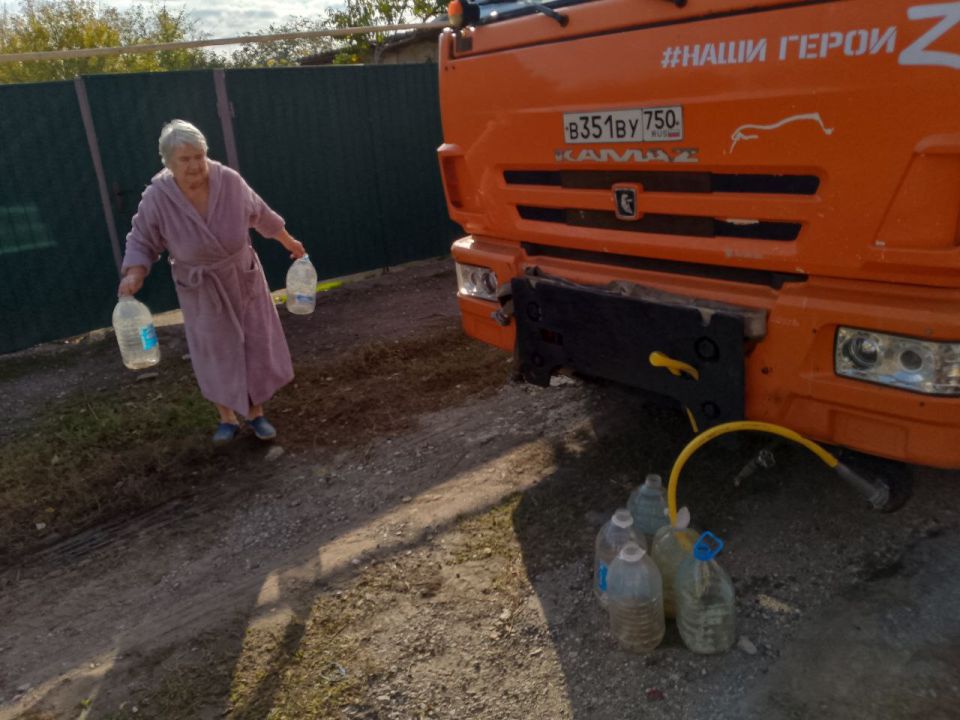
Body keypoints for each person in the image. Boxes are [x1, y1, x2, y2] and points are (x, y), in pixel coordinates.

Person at [118, 119, 305, 445]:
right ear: (168, 163)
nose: (194, 166)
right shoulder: (158, 198)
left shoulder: (229, 182)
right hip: (200, 286)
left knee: (253, 343)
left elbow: (262, 214)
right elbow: (142, 239)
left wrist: (290, 243)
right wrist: (135, 272)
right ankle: (226, 418)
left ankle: (257, 413)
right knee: (214, 351)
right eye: (184, 160)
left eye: (198, 156)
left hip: (241, 276)